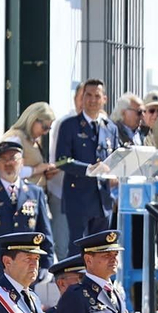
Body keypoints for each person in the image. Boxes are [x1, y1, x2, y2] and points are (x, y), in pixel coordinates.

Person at [53, 79, 119, 242]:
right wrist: (89, 169)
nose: (92, 100)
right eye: (88, 95)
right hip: (78, 198)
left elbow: (116, 159)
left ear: (105, 99)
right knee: (77, 251)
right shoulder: (69, 125)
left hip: (103, 200)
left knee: (101, 250)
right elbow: (61, 161)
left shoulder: (111, 128)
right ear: (81, 98)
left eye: (97, 96)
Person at [0, 141, 53, 246]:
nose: (8, 163)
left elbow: (45, 235)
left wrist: (47, 262)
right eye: (3, 159)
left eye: (13, 158)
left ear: (22, 162)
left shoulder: (35, 193)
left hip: (27, 259)